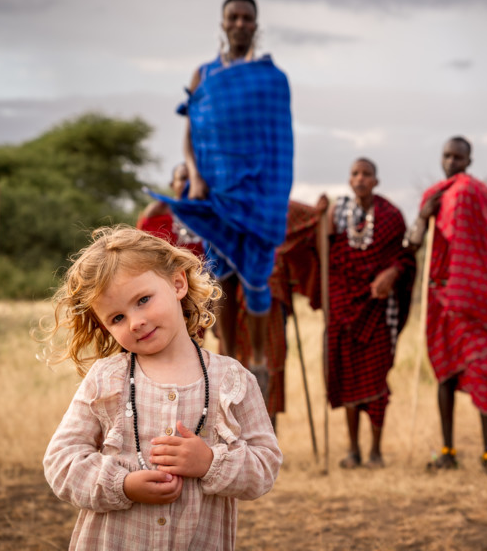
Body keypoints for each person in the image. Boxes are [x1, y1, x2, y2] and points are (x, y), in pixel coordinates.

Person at [40, 226, 282, 550]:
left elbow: (265, 465)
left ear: (178, 283)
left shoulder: (232, 380)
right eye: (116, 318)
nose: (135, 322)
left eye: (143, 300)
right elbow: (61, 461)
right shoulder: (105, 380)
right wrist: (122, 485)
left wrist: (211, 462)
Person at [149, 0, 293, 397]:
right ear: (224, 22)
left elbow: (280, 140)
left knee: (259, 277)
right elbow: (191, 137)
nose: (241, 24)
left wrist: (277, 190)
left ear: (256, 25)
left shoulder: (272, 78)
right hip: (219, 193)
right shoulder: (205, 76)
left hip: (261, 191)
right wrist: (195, 176)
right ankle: (230, 356)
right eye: (234, 17)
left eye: (248, 18)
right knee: (224, 275)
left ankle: (259, 361)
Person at [404, 136, 487, 476]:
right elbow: (414, 243)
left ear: (469, 160)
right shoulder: (433, 195)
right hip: (440, 298)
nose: (451, 161)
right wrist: (423, 214)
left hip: (471, 298)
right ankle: (448, 451)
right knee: (445, 373)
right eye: (446, 155)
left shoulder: (472, 193)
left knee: (482, 372)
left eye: (458, 157)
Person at [327, 158, 415, 469]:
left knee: (377, 378)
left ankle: (376, 452)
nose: (360, 179)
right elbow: (326, 254)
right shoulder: (337, 214)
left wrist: (392, 273)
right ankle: (353, 450)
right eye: (355, 174)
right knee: (349, 377)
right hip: (343, 310)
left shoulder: (391, 216)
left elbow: (406, 258)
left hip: (379, 310)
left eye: (366, 174)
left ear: (376, 181)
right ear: (349, 180)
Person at [231, 198, 327, 428]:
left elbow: (314, 217)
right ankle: (235, 441)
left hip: (272, 297)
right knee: (234, 368)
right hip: (236, 301)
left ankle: (266, 441)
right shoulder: (231, 205)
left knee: (271, 366)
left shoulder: (280, 206)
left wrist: (321, 210)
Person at [137, 163, 204, 257]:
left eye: (193, 178)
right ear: (172, 185)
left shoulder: (210, 214)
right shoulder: (158, 212)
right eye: (183, 178)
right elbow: (143, 250)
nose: (189, 183)